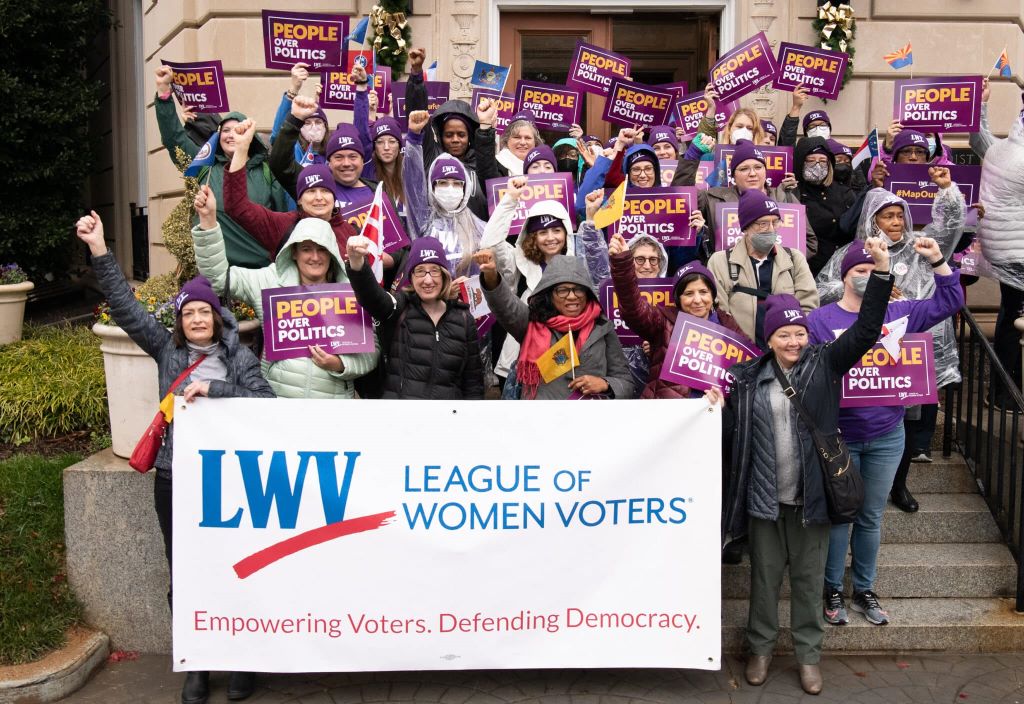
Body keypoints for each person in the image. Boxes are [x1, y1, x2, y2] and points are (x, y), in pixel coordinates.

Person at [75, 211, 274, 704]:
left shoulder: (240, 356)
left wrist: (218, 388)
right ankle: (198, 662)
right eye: (189, 313)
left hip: (230, 481)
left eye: (205, 311)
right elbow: (125, 306)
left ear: (217, 315)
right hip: (175, 477)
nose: (198, 319)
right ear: (181, 321)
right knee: (183, 569)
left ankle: (241, 658)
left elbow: (268, 404)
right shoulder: (167, 353)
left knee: (237, 567)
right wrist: (100, 249)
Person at [719, 236, 894, 695]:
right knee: (764, 579)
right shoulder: (748, 379)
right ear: (769, 339)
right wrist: (715, 406)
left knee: (808, 578)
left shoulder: (826, 364)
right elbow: (731, 435)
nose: (793, 340)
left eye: (798, 332)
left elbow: (866, 330)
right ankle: (759, 649)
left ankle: (808, 655)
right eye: (783, 334)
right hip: (764, 500)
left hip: (811, 497)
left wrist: (881, 274)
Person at [809, 239, 963, 627]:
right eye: (858, 270)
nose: (864, 276)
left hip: (887, 433)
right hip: (839, 436)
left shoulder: (900, 313)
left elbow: (949, 303)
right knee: (840, 517)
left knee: (871, 517)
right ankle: (832, 590)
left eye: (871, 269)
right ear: (845, 275)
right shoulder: (820, 320)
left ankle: (864, 589)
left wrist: (938, 262)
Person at [816, 182, 966, 510]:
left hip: (915, 351)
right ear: (873, 221)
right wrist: (875, 289)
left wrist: (949, 192)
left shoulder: (919, 247)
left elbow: (952, 231)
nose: (897, 222)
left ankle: (899, 486)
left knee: (911, 422)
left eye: (901, 215)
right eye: (888, 216)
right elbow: (823, 287)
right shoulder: (852, 252)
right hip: (869, 359)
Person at [191, 186, 379, 398]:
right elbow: (217, 278)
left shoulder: (351, 290)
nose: (315, 257)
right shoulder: (269, 281)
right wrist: (207, 222)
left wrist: (339, 364)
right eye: (306, 249)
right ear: (294, 253)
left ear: (332, 253)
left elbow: (370, 354)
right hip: (279, 405)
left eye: (322, 250)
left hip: (332, 410)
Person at [154, 66, 287, 268]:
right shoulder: (205, 165)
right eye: (225, 130)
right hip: (214, 270)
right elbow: (174, 138)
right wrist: (164, 93)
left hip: (259, 272)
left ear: (250, 136)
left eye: (238, 129)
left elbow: (281, 221)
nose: (231, 135)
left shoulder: (267, 172)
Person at [482, 177, 604, 384]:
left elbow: (599, 273)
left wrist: (591, 217)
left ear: (566, 233)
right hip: (522, 363)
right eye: (542, 232)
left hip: (570, 364)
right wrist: (511, 198)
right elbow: (489, 244)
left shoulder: (577, 264)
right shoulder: (518, 265)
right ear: (532, 237)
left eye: (556, 230)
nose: (551, 238)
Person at [476, 251, 633, 400]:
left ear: (588, 292)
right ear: (549, 294)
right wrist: (491, 275)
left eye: (579, 289)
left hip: (587, 422)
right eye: (562, 290)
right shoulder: (531, 322)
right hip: (542, 422)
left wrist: (605, 384)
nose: (572, 296)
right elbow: (505, 305)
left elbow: (625, 382)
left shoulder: (602, 327)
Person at [346, 236, 484, 399]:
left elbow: (473, 383)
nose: (427, 279)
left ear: (444, 275)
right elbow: (372, 297)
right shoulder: (400, 307)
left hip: (447, 419)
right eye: (420, 271)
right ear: (410, 277)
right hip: (403, 418)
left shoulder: (463, 318)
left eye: (434, 270)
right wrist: (357, 264)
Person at [609, 240, 747, 397]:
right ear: (679, 299)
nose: (697, 300)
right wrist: (622, 264)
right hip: (670, 414)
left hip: (714, 415)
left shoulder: (729, 325)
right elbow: (633, 308)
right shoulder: (664, 322)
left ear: (713, 295)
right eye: (689, 294)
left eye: (703, 292)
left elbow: (748, 369)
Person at [222, 120, 356, 259]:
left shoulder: (350, 232)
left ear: (334, 199)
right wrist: (241, 149)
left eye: (325, 191)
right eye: (310, 191)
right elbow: (237, 207)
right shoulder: (282, 225)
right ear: (299, 200)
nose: (319, 197)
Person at [970, 80, 1024, 410]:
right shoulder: (1016, 158)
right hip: (1018, 250)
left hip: (1004, 252)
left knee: (1010, 318)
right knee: (1013, 322)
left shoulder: (1001, 151)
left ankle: (1004, 392)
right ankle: (1007, 393)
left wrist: (981, 106)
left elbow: (979, 138)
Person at [707, 189, 818, 348]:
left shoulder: (794, 259)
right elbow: (720, 313)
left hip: (785, 354)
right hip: (740, 353)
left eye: (775, 222)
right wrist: (743, 351)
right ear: (745, 227)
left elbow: (808, 307)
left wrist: (790, 344)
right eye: (763, 223)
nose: (771, 229)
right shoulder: (720, 261)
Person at [405, 48, 504, 221]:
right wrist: (416, 75)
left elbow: (489, 171)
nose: (455, 140)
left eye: (461, 134)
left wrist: (486, 126)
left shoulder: (480, 163)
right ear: (440, 136)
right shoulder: (432, 157)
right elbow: (418, 112)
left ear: (470, 136)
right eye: (449, 135)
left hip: (476, 241)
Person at [673, 140, 815, 255]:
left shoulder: (785, 197)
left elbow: (810, 243)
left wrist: (778, 261)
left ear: (765, 171)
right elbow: (680, 200)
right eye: (744, 169)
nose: (752, 173)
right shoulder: (713, 198)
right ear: (733, 175)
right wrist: (691, 158)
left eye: (758, 167)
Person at [271, 96, 376, 208]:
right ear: (329, 162)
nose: (346, 163)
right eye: (339, 157)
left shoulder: (379, 192)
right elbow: (280, 164)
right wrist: (295, 119)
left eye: (353, 156)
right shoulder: (313, 186)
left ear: (362, 160)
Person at [794, 137, 858, 276]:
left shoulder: (844, 192)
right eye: (811, 160)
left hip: (839, 269)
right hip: (806, 270)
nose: (817, 165)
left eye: (823, 161)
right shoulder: (793, 192)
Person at [270, 62, 329, 210]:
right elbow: (279, 137)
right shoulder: (294, 151)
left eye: (318, 122)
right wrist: (294, 89)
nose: (314, 127)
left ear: (326, 127)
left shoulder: (334, 157)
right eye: (307, 122)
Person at [496, 111, 545, 175]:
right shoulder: (495, 165)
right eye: (517, 137)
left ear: (535, 142)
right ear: (507, 140)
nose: (522, 142)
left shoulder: (544, 168)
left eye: (527, 138)